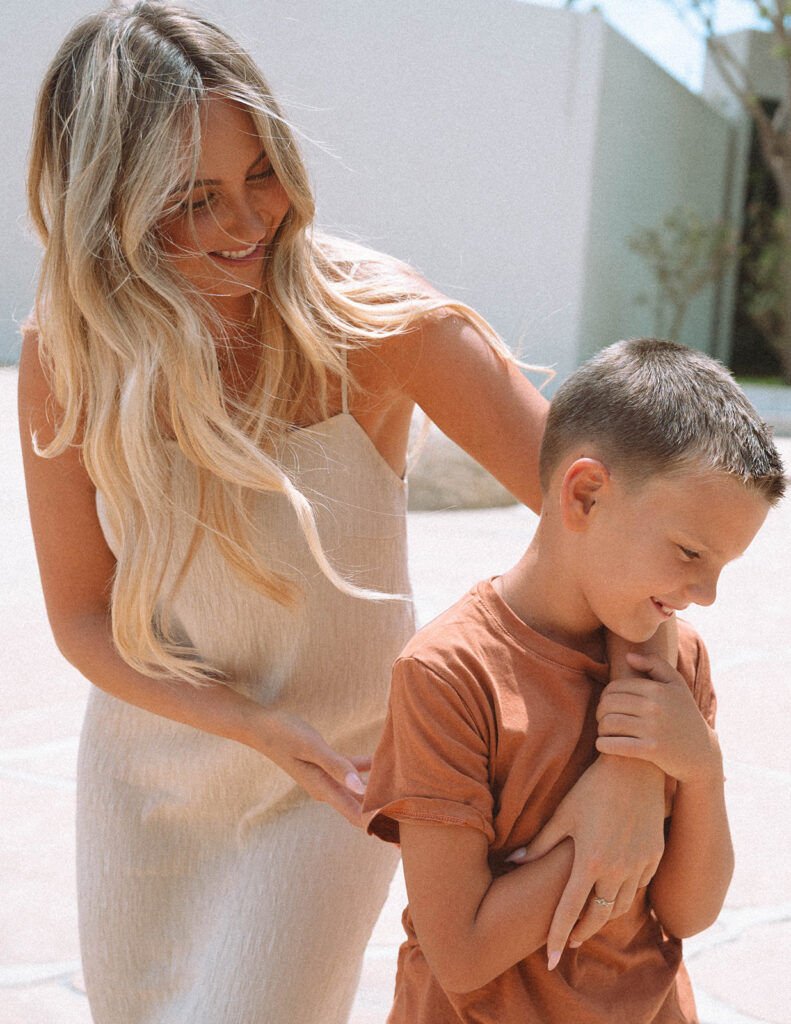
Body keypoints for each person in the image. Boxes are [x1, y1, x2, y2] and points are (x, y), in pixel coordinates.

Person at [19, 3, 673, 1022]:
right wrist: (247, 723)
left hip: (338, 781)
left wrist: (633, 761)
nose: (247, 224)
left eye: (261, 174)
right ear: (108, 204)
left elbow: (617, 529)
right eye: (193, 200)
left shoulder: (378, 325)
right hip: (149, 782)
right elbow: (82, 618)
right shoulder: (68, 353)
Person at [364, 338, 785, 1024]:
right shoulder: (448, 674)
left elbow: (688, 911)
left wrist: (699, 771)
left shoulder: (676, 667)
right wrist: (603, 833)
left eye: (722, 567)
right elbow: (461, 953)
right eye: (688, 553)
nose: (705, 592)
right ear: (585, 493)